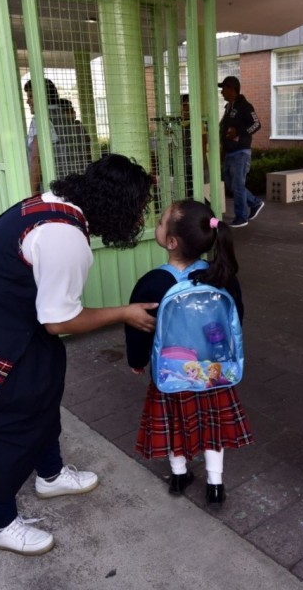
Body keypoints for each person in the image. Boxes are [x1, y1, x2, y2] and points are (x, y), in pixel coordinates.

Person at [0, 154, 158, 556]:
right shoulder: (66, 238)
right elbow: (60, 322)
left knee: (43, 382)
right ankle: (2, 522)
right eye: (137, 209)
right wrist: (124, 313)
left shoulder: (54, 201)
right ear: (116, 206)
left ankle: (49, 473)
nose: (139, 218)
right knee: (2, 415)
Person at [125, 199, 253, 508]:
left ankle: (179, 475)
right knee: (213, 427)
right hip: (214, 372)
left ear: (170, 242)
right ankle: (215, 484)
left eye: (160, 222)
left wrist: (137, 361)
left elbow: (139, 327)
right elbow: (237, 316)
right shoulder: (220, 274)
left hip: (172, 372)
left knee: (174, 424)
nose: (157, 225)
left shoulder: (153, 283)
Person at [24, 78, 91, 194]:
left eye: (30, 96)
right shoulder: (67, 118)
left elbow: (37, 158)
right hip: (78, 186)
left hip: (55, 189)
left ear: (41, 96)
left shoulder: (40, 120)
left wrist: (32, 191)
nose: (27, 101)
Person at [218, 76, 264, 228]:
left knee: (237, 184)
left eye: (224, 88)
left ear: (232, 89)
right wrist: (222, 150)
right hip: (230, 153)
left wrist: (239, 133)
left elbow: (256, 124)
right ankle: (255, 202)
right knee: (231, 184)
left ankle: (241, 217)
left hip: (241, 153)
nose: (221, 92)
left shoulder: (245, 106)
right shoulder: (229, 107)